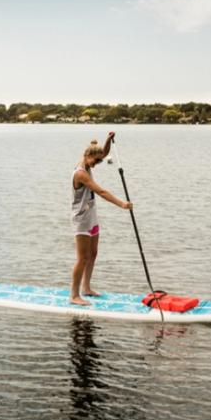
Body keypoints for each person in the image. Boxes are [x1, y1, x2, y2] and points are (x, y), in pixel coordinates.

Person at [70, 131, 132, 306]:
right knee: (82, 258)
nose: (98, 163)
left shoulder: (89, 163)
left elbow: (103, 153)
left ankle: (86, 288)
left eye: (99, 161)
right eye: (96, 161)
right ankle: (74, 295)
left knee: (93, 254)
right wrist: (122, 204)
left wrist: (108, 140)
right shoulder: (81, 173)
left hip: (91, 215)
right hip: (81, 218)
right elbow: (102, 192)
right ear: (88, 156)